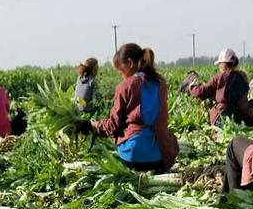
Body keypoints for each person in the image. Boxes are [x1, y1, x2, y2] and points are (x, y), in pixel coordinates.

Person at [75, 43, 178, 172]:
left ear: (129, 63)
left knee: (126, 142)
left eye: (121, 70)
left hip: (133, 156)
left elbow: (113, 126)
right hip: (160, 155)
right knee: (171, 139)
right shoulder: (160, 82)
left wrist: (93, 125)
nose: (121, 75)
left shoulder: (125, 86)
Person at [184, 48, 253, 124]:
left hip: (222, 118)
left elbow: (201, 92)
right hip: (240, 118)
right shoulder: (242, 76)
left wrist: (192, 87)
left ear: (222, 64)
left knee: (217, 114)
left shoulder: (219, 77)